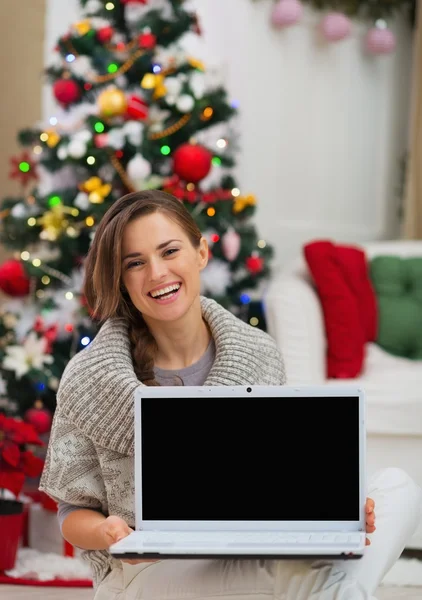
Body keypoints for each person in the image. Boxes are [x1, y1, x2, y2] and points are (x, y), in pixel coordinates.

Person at [39, 190, 422, 600]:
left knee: (398, 487)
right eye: (135, 263)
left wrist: (335, 515)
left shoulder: (259, 354)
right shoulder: (90, 377)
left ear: (200, 252)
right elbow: (71, 511)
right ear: (121, 278)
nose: (156, 273)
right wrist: (108, 531)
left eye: (169, 251)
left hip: (252, 554)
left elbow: (283, 482)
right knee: (313, 579)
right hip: (146, 574)